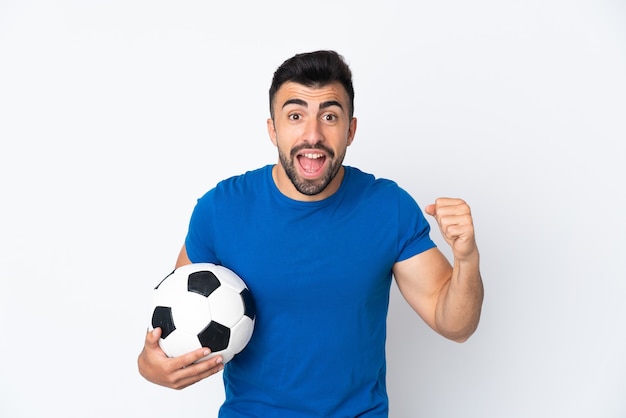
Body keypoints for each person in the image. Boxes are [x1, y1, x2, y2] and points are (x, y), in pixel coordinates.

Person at [138, 50, 484, 417]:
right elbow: (167, 334)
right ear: (273, 129)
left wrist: (467, 259)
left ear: (350, 129)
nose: (313, 135)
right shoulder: (220, 209)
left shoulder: (389, 208)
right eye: (295, 115)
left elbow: (456, 326)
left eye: (330, 116)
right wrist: (150, 366)